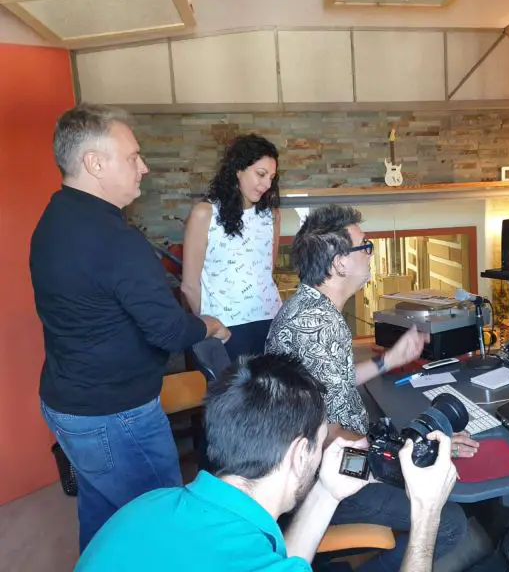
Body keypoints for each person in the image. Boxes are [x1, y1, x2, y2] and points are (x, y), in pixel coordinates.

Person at [29, 103, 231, 552]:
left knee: (104, 514)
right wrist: (208, 326)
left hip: (67, 403)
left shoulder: (54, 219)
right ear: (95, 163)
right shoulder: (117, 242)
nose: (143, 167)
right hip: (113, 415)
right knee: (158, 529)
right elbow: (169, 332)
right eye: (133, 156)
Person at [74, 354, 458, 572]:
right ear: (299, 454)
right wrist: (427, 512)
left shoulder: (146, 506)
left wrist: (326, 492)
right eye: (320, 440)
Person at [265, 204, 479, 572]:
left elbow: (334, 381)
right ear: (339, 263)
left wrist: (390, 360)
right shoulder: (318, 325)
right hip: (326, 479)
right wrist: (415, 452)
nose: (370, 254)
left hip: (332, 461)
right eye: (365, 246)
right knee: (451, 523)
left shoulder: (311, 310)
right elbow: (331, 438)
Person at [182, 134, 283, 361]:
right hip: (226, 328)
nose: (267, 184)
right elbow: (189, 286)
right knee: (233, 386)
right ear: (238, 169)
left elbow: (267, 271)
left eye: (272, 177)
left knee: (274, 385)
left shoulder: (272, 215)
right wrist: (212, 327)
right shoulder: (205, 213)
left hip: (272, 321)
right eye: (261, 174)